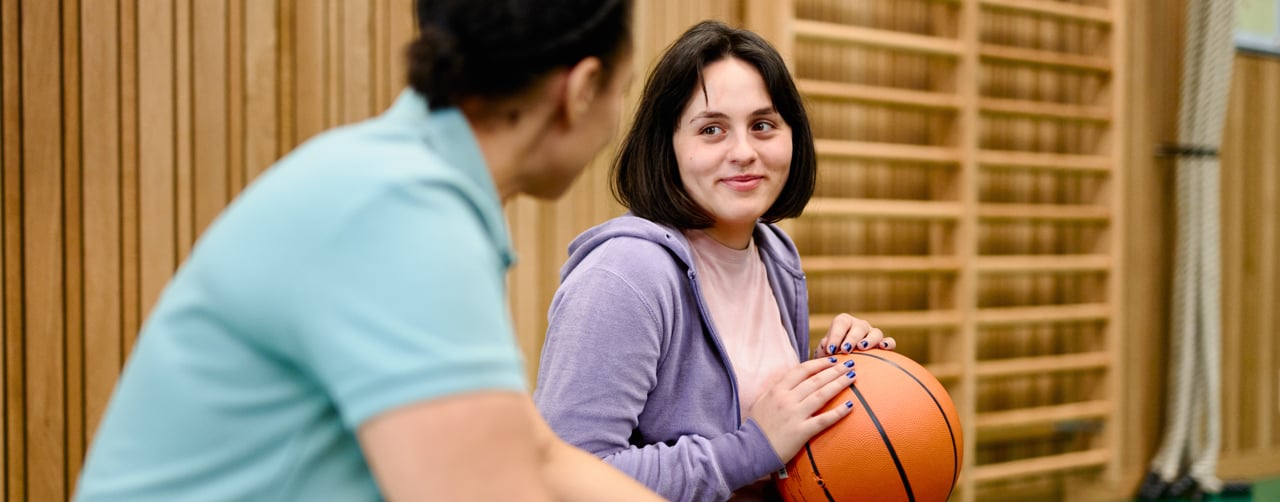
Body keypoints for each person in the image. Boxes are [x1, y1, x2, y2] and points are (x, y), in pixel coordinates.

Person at [75, 1, 663, 500]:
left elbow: (540, 458)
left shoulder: (397, 182)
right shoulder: (397, 212)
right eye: (623, 88)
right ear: (583, 90)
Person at [533, 20, 897, 501]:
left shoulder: (775, 254)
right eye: (712, 130)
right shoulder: (624, 276)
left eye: (763, 125)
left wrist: (837, 377)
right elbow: (566, 477)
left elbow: (766, 435)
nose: (744, 152)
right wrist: (750, 448)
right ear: (669, 147)